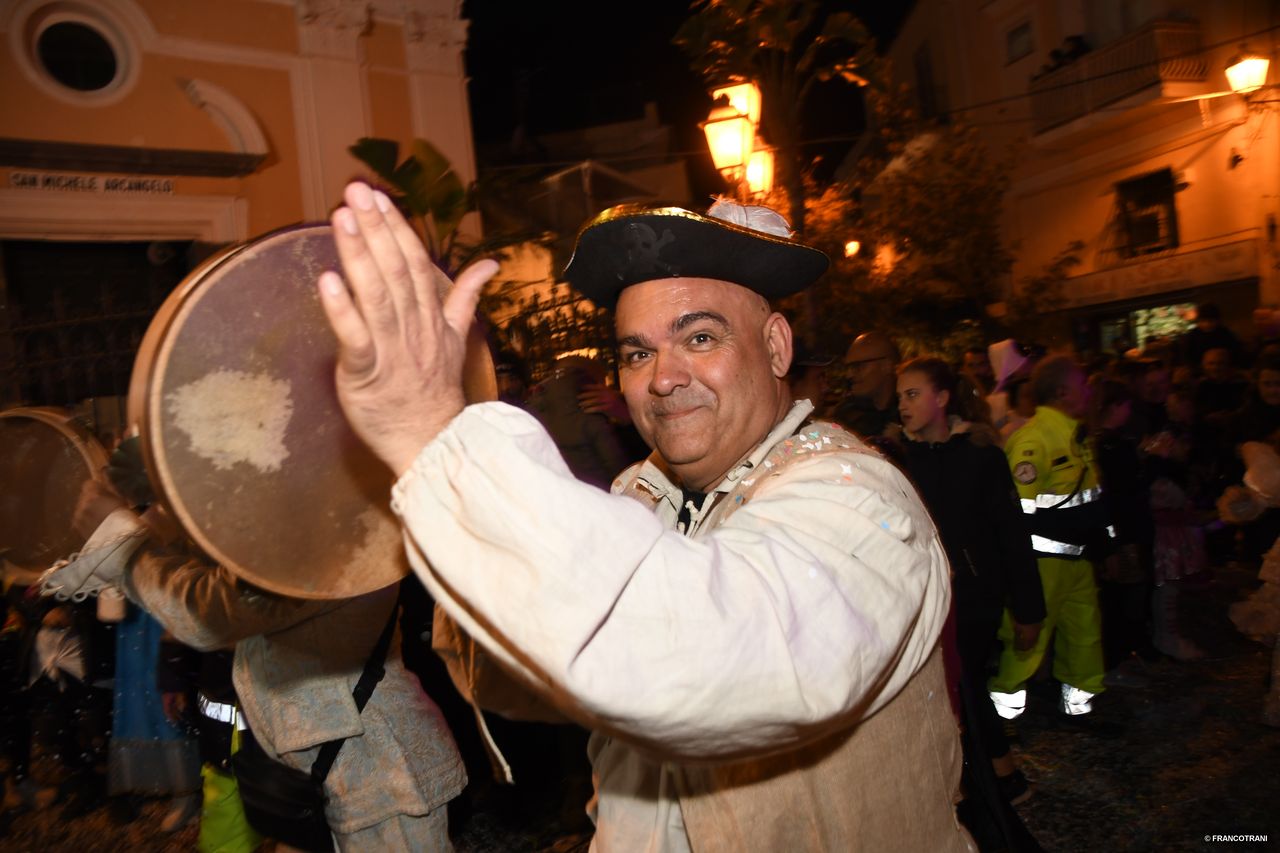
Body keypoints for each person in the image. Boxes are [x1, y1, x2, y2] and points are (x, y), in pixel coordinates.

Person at [316, 184, 972, 851]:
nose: (663, 377)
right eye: (637, 353)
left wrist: (441, 443)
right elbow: (518, 683)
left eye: (701, 337)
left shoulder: (857, 496)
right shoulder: (638, 493)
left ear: (776, 346)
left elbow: (717, 656)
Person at [52, 481, 468, 850]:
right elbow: (220, 577)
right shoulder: (312, 515)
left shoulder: (334, 532)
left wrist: (127, 549)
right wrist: (163, 513)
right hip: (334, 773)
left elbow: (210, 615)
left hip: (383, 779)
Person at [896, 357, 1045, 833]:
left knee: (965, 682)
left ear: (942, 398)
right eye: (900, 396)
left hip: (975, 596)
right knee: (951, 687)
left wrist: (1028, 609)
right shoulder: (898, 459)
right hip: (924, 597)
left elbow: (1011, 534)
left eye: (913, 394)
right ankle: (984, 776)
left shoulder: (981, 457)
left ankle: (999, 775)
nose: (903, 405)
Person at [989, 355, 1115, 723]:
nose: (1088, 391)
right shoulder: (1034, 440)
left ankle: (1079, 709)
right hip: (1042, 565)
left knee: (1084, 638)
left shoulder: (1076, 436)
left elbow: (1092, 500)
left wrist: (1107, 545)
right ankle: (1003, 718)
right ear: (1062, 392)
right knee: (1027, 644)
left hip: (1078, 560)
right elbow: (1015, 517)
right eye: (1082, 385)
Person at [833, 330, 902, 440]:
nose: (849, 375)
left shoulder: (909, 412)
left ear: (887, 366)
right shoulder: (845, 415)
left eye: (858, 366)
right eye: (848, 368)